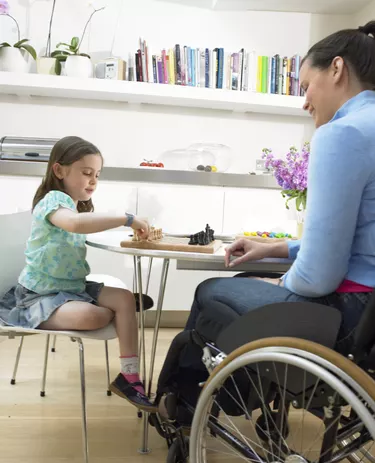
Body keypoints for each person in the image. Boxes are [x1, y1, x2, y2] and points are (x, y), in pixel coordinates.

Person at [185, 20, 375, 355]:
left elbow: (318, 277)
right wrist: (275, 248)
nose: (304, 102)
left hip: (352, 314)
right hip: (368, 312)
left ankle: (192, 403)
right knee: (246, 285)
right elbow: (355, 236)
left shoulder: (343, 133)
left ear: (336, 68)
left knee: (210, 291)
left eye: (306, 87)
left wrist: (278, 282)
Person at [0, 136, 156, 412]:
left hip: (73, 288)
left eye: (97, 175)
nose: (93, 181)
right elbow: (73, 224)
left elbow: (80, 221)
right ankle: (108, 312)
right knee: (98, 316)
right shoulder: (53, 201)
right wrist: (127, 218)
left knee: (124, 300)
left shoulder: (74, 204)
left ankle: (129, 378)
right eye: (86, 173)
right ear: (59, 171)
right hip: (39, 295)